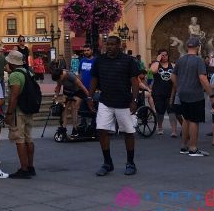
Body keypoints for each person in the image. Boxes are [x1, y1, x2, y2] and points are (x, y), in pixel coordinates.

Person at [87, 36, 141, 177]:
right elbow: (94, 79)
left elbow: (134, 82)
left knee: (128, 132)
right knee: (102, 130)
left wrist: (134, 100)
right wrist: (89, 96)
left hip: (124, 102)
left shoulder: (129, 61)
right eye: (107, 44)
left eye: (112, 44)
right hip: (106, 101)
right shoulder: (100, 60)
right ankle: (107, 163)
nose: (109, 47)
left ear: (119, 46)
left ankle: (130, 163)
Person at [169, 37, 214, 157]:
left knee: (186, 119)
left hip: (183, 93)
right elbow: (203, 78)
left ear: (187, 47)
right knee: (194, 121)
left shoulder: (180, 60)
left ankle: (183, 146)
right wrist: (211, 95)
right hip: (195, 94)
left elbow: (172, 76)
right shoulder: (199, 60)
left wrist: (180, 86)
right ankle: (193, 148)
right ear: (198, 47)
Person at [5, 50, 36, 179]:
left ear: (12, 62)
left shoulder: (15, 76)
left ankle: (23, 169)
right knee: (29, 138)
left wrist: (9, 113)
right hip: (29, 110)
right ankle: (30, 166)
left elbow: (14, 96)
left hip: (19, 111)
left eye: (8, 61)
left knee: (19, 139)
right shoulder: (28, 72)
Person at [52, 68, 89, 138]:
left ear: (61, 76)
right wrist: (56, 96)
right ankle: (63, 127)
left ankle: (75, 128)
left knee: (74, 107)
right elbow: (58, 86)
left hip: (78, 90)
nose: (58, 81)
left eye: (58, 80)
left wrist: (89, 97)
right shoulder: (58, 77)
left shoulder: (69, 75)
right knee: (64, 108)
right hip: (67, 90)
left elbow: (81, 85)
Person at [149, 49, 175, 136]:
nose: (164, 57)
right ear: (159, 56)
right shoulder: (156, 65)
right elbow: (153, 71)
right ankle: (160, 127)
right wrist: (157, 60)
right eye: (162, 55)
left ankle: (174, 130)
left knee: (172, 111)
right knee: (160, 111)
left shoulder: (173, 65)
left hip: (170, 91)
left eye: (166, 55)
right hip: (158, 92)